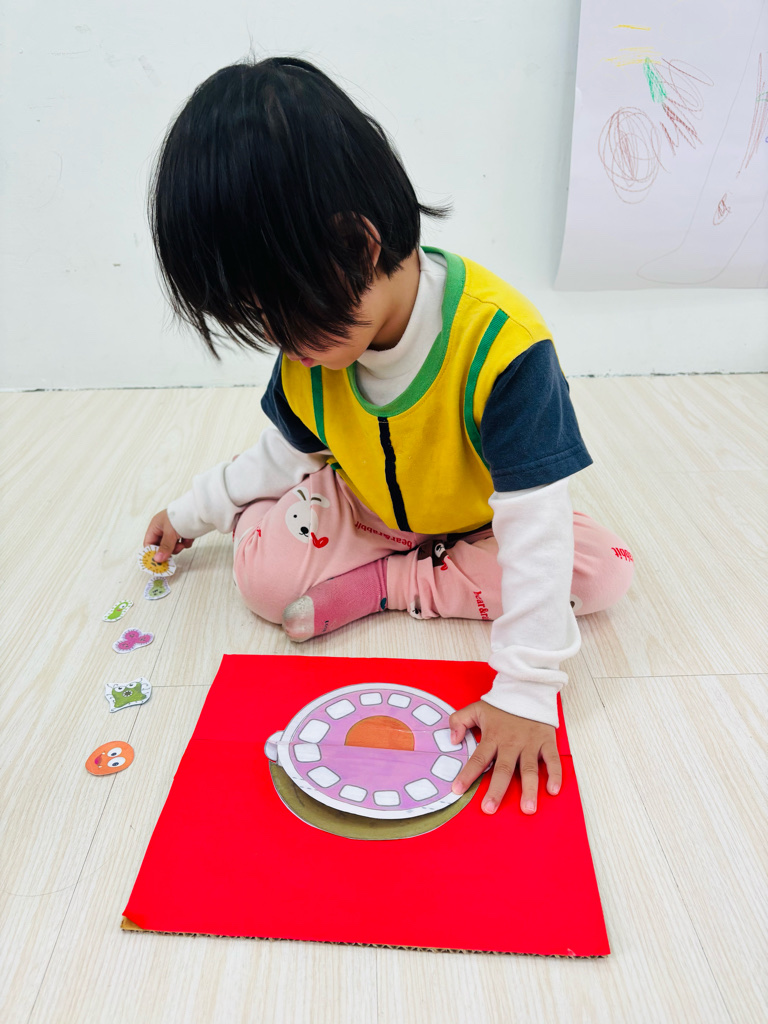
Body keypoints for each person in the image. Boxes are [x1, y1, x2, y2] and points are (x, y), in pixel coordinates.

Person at [144, 57, 634, 817]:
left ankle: (386, 585)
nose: (281, 344)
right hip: (362, 505)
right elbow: (282, 453)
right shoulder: (310, 357)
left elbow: (534, 515)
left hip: (480, 519)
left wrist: (527, 692)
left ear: (357, 245)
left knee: (602, 577)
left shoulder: (503, 347)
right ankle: (395, 565)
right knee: (263, 581)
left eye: (282, 314)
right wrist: (191, 512)